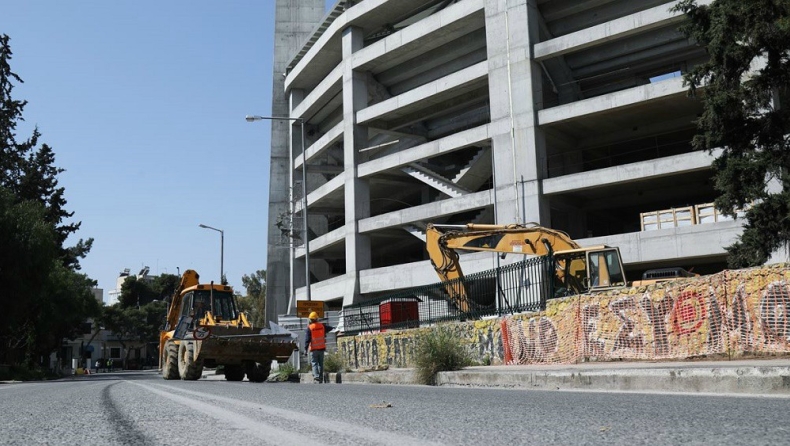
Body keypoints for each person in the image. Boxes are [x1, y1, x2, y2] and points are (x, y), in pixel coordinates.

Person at [304, 312, 334, 383]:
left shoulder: (310, 328)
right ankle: (320, 377)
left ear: (310, 320)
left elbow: (307, 340)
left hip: (314, 349)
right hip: (321, 348)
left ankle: (316, 377)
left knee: (314, 363)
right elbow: (329, 328)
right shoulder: (322, 326)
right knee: (321, 363)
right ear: (317, 319)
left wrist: (305, 349)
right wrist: (333, 327)